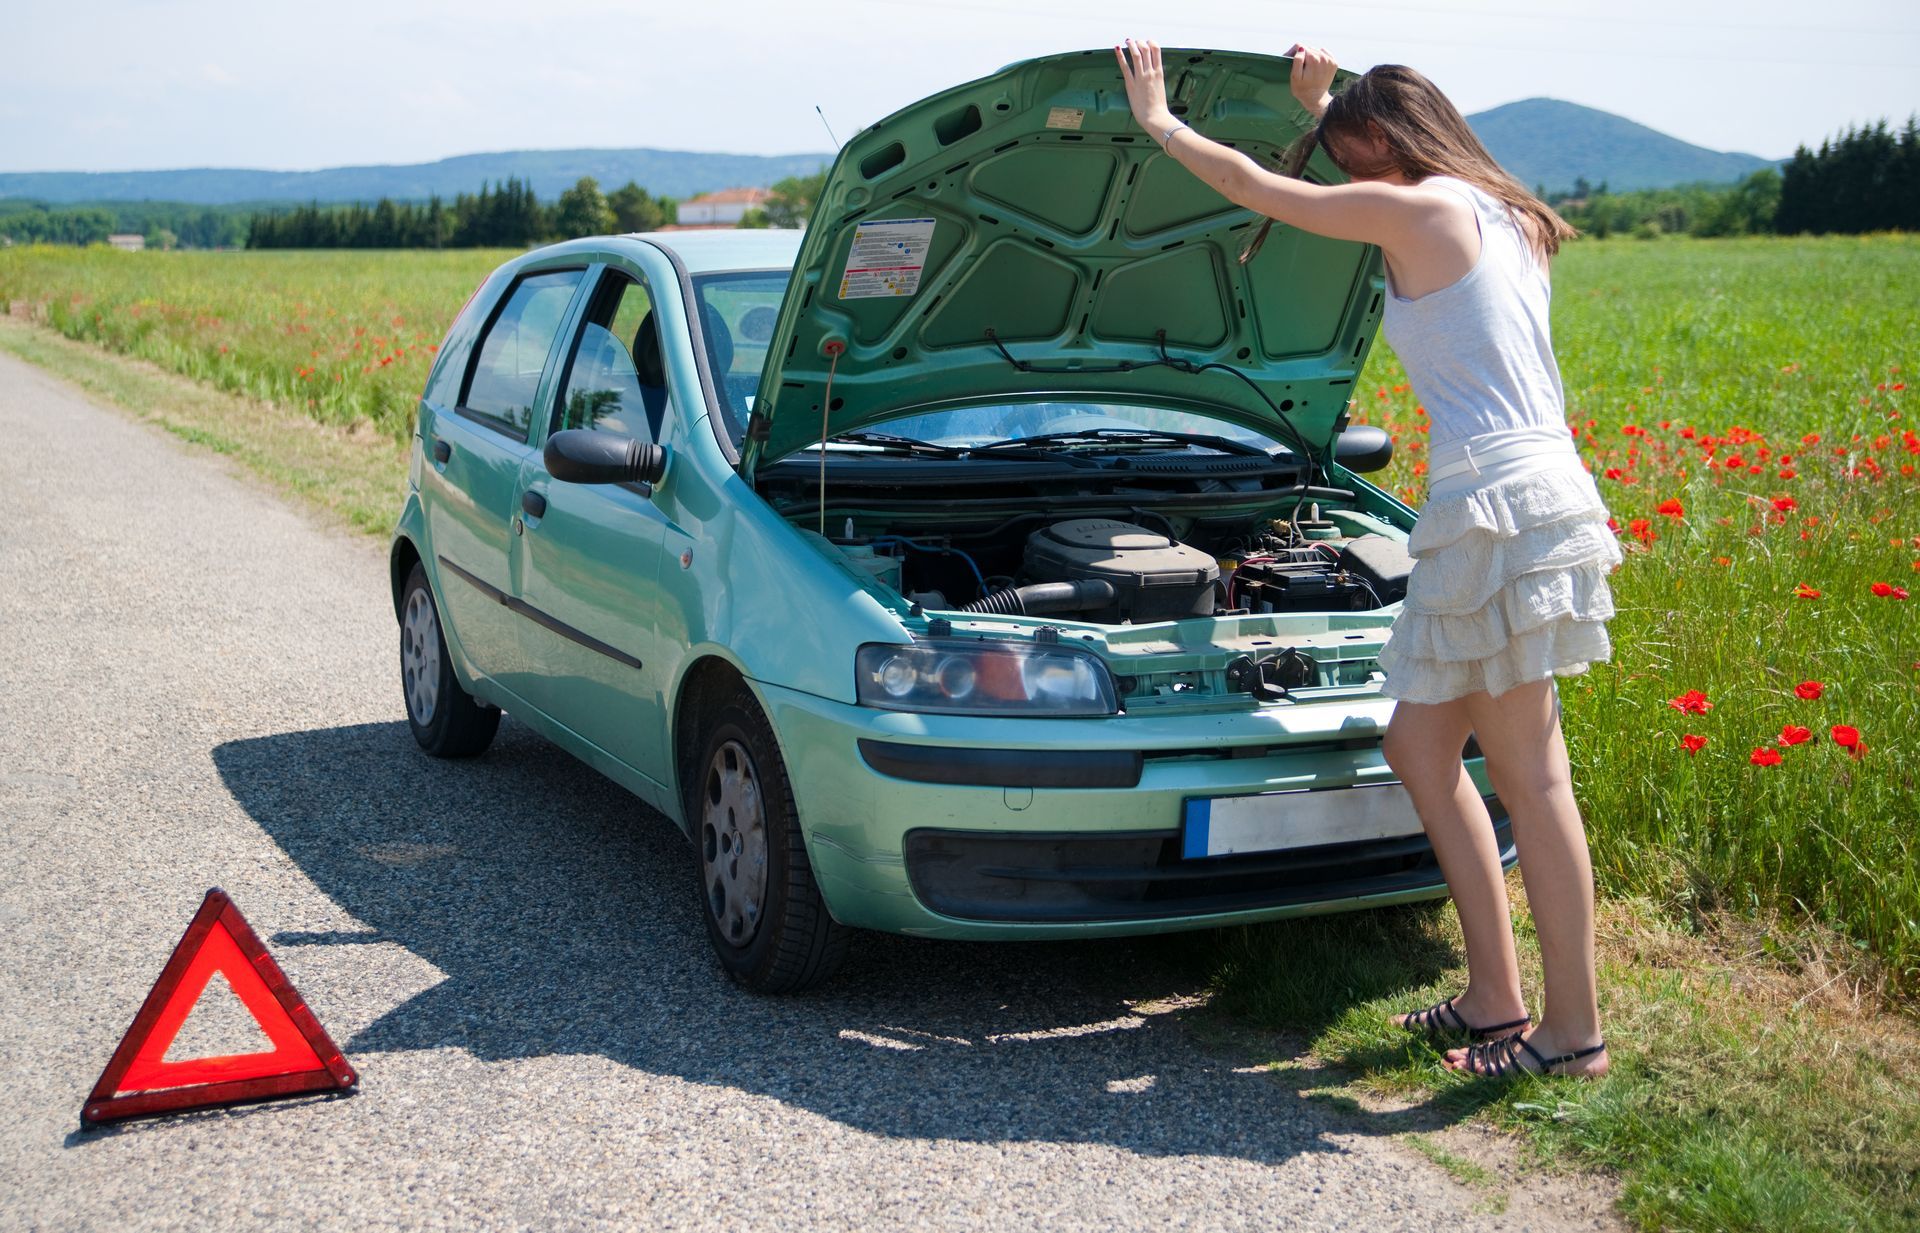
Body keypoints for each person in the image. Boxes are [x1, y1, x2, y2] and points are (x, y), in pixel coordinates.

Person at [1115, 39, 1617, 1079]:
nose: (1345, 182)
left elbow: (1255, 188)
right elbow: (1365, 152)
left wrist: (1161, 123)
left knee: (1533, 777)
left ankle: (1575, 1038)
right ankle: (1494, 1000)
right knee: (1420, 751)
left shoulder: (1421, 209)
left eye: (1350, 158)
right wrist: (1324, 100)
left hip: (1500, 508)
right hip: (1517, 497)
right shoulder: (1497, 212)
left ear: (1386, 147)